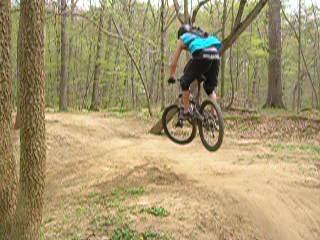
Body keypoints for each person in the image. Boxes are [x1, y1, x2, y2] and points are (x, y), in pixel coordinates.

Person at [168, 24, 222, 120]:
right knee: (210, 88)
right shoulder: (201, 34)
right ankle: (215, 115)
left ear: (181, 34)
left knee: (184, 82)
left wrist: (171, 76)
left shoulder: (182, 38)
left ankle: (186, 111)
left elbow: (174, 63)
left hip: (202, 55)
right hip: (216, 55)